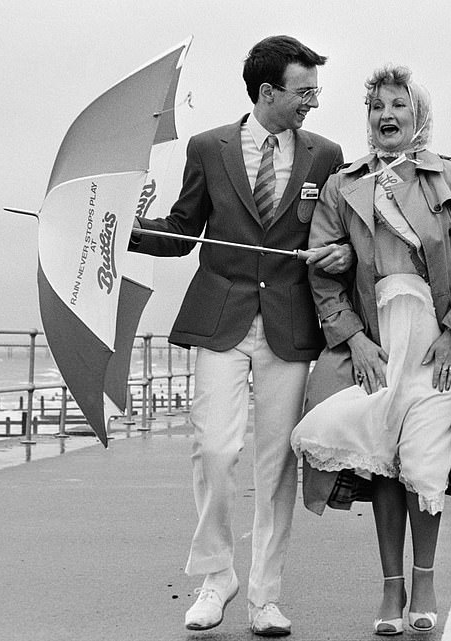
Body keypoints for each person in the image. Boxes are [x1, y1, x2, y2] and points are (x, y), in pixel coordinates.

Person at [128, 35, 349, 636]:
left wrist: (337, 256)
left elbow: (343, 234)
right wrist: (124, 229)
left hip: (290, 323)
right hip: (220, 318)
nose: (312, 102)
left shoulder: (326, 155)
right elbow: (181, 231)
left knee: (275, 465)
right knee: (216, 448)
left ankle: (264, 597)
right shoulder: (208, 148)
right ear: (268, 90)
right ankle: (215, 574)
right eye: (304, 91)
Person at [290, 65, 451, 635]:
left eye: (398, 106)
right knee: (383, 457)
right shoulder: (343, 184)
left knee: (424, 464)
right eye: (376, 106)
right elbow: (323, 272)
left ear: (418, 117)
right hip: (377, 344)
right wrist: (354, 340)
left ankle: (426, 580)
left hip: (437, 344)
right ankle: (391, 588)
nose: (385, 115)